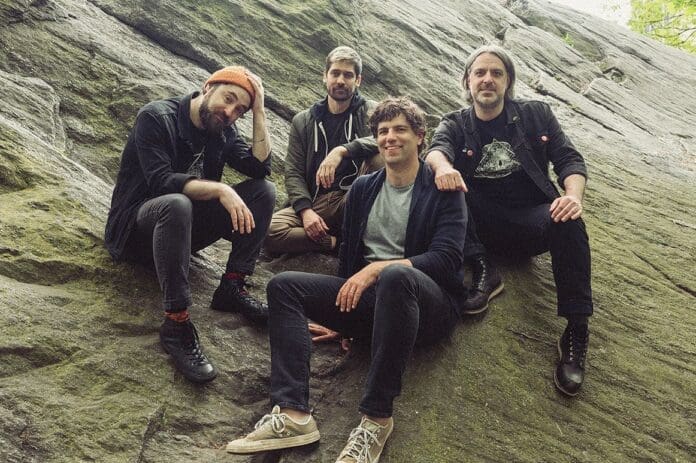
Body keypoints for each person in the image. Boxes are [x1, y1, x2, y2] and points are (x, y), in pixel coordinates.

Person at [226, 97, 467, 462]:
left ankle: (376, 420)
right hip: (374, 304)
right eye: (383, 131)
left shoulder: (443, 188)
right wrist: (340, 316)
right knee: (283, 286)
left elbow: (447, 260)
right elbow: (350, 256)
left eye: (400, 130)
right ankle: (293, 414)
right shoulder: (364, 189)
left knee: (396, 276)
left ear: (420, 137)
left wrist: (376, 269)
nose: (390, 138)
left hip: (425, 306)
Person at [426, 45, 593, 396]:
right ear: (467, 82)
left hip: (532, 220)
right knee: (447, 186)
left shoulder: (535, 115)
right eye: (480, 73)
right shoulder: (455, 122)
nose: (488, 79)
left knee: (570, 220)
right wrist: (443, 167)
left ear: (508, 81)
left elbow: (568, 159)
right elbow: (437, 150)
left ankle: (576, 329)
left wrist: (572, 197)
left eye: (497, 73)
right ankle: (484, 268)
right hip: (480, 227)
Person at [104, 66, 276, 383]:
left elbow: (260, 167)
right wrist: (221, 189)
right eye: (229, 99)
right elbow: (161, 182)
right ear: (207, 86)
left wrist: (259, 110)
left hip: (181, 236)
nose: (230, 112)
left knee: (263, 193)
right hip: (135, 232)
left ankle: (232, 286)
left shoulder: (223, 132)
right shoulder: (157, 117)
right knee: (177, 203)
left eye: (240, 110)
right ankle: (177, 323)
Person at [264, 46, 381, 254]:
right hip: (318, 202)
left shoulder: (371, 110)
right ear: (325, 77)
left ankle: (352, 236)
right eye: (335, 73)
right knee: (270, 231)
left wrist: (341, 151)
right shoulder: (304, 121)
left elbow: (386, 140)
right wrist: (306, 212)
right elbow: (293, 172)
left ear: (358, 80)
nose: (340, 81)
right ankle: (337, 245)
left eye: (348, 75)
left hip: (353, 198)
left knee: (381, 159)